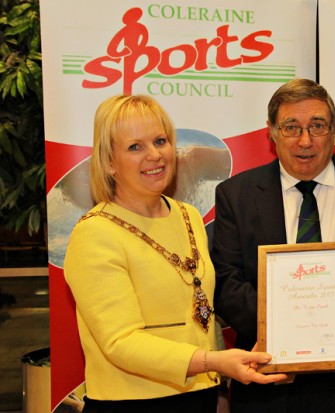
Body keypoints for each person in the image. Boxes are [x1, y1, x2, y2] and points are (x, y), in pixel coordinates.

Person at [64, 94, 286, 413]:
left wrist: (225, 372)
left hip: (199, 394)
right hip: (133, 402)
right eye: (135, 147)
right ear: (109, 162)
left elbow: (200, 312)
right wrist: (214, 362)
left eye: (160, 140)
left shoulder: (188, 216)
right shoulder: (95, 233)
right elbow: (120, 343)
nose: (155, 155)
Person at [211, 78, 335, 413]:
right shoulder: (236, 195)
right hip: (269, 384)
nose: (305, 141)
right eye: (291, 127)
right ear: (272, 131)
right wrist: (283, 331)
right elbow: (227, 282)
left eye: (317, 126)